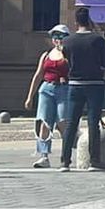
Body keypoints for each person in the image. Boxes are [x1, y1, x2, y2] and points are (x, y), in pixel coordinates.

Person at [59, 8, 105, 171]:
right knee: (93, 122)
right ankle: (94, 161)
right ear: (91, 21)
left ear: (76, 22)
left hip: (75, 84)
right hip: (95, 84)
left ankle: (65, 161)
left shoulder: (67, 41)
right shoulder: (97, 40)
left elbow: (66, 60)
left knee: (71, 123)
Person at [22, 24, 71, 168]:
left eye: (60, 36)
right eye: (54, 36)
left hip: (63, 89)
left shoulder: (69, 54)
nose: (57, 39)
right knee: (44, 122)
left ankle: (66, 154)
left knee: (62, 122)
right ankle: (44, 156)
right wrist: (30, 96)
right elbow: (38, 75)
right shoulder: (46, 55)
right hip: (46, 89)